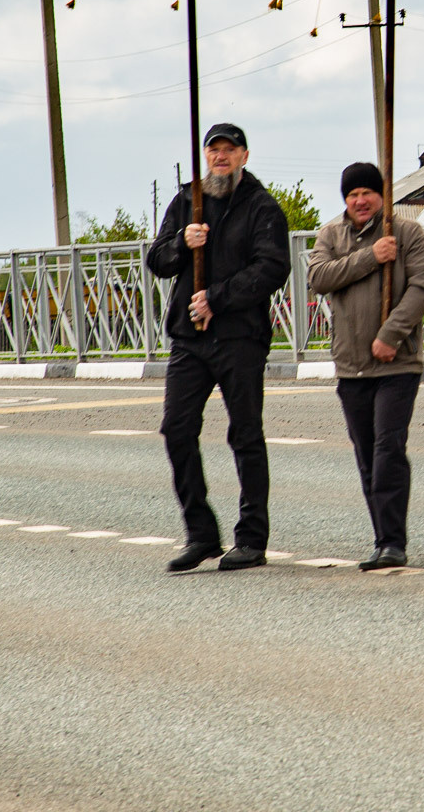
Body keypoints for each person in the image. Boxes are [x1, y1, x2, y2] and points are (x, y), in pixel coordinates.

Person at [145, 122, 291, 573]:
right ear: (206, 156)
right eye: (214, 150)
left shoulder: (263, 208)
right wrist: (181, 244)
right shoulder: (188, 201)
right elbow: (157, 260)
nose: (221, 157)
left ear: (245, 155)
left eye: (230, 150)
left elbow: (272, 268)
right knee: (176, 429)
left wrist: (218, 298)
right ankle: (201, 534)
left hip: (239, 336)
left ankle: (251, 540)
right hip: (190, 338)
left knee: (245, 434)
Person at [307, 161, 424, 571]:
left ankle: (394, 543)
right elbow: (319, 277)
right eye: (352, 194)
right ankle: (382, 538)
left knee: (387, 450)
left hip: (396, 365)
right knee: (366, 454)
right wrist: (370, 256)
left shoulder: (407, 232)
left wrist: (390, 335)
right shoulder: (331, 234)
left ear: (382, 196)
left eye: (367, 192)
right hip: (351, 366)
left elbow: (422, 289)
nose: (360, 200)